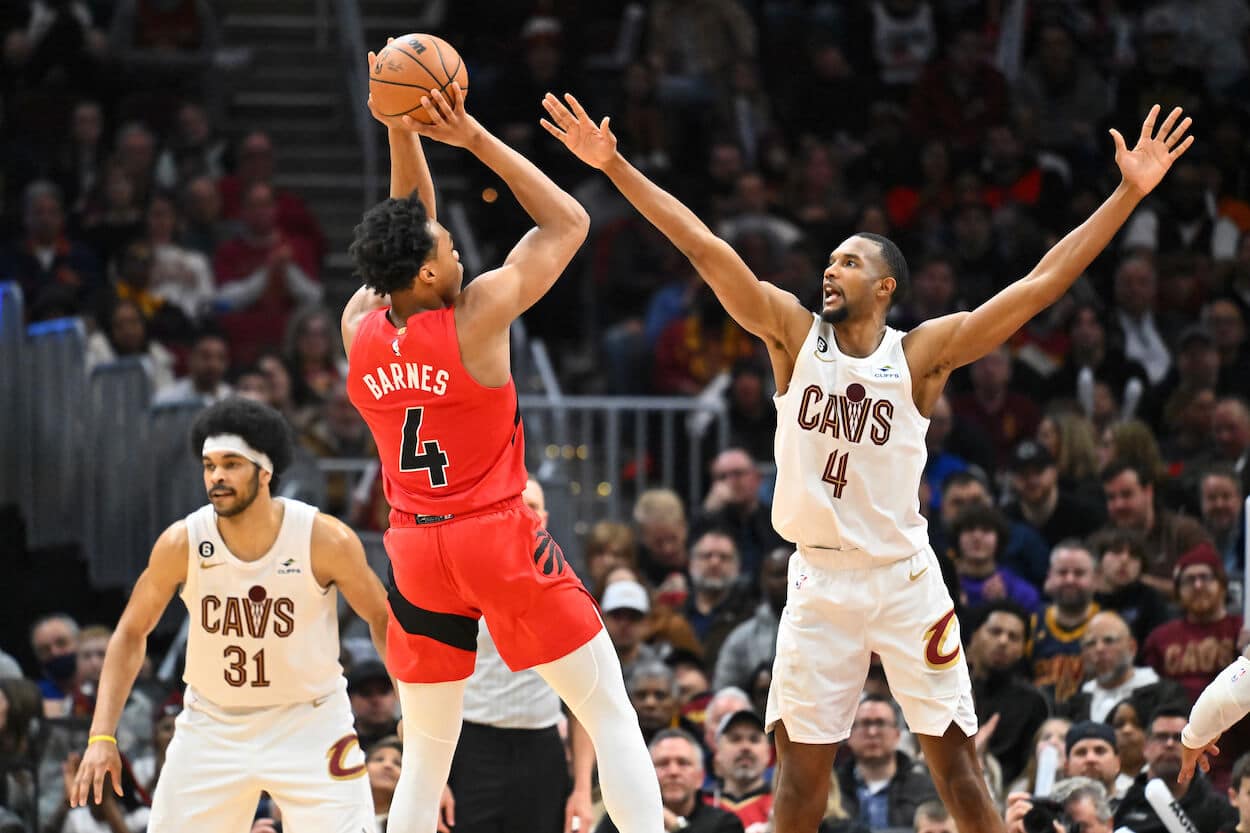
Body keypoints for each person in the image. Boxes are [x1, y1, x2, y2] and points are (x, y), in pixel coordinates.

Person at [541, 92, 1193, 833]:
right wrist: (615, 164)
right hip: (818, 583)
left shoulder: (918, 355)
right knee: (798, 787)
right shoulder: (791, 334)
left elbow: (1040, 287)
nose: (831, 269)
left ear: (885, 286)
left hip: (904, 579)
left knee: (958, 770)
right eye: (829, 259)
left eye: (849, 261)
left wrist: (1126, 194)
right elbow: (703, 248)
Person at [340, 66, 661, 833]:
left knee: (425, 748)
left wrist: (400, 122)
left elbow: (406, 221)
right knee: (608, 708)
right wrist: (469, 135)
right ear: (428, 271)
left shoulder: (358, 324)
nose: (459, 252)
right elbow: (568, 224)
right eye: (449, 248)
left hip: (415, 548)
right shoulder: (475, 317)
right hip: (495, 535)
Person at [68, 398, 391, 830]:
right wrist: (102, 735)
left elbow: (384, 620)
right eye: (209, 465)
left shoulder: (324, 539)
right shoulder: (181, 542)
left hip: (309, 722)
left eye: (231, 464)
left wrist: (414, 714)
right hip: (212, 723)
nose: (216, 476)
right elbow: (130, 633)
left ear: (265, 471)